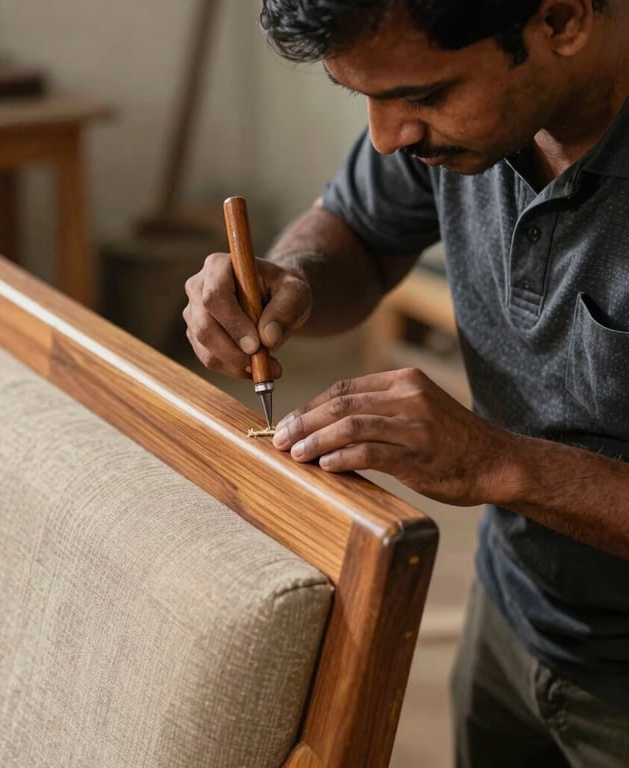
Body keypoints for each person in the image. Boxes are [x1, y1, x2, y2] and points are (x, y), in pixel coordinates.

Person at [183, 0, 629, 765]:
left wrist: (498, 464)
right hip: (516, 603)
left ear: (561, 20)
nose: (387, 137)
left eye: (422, 97)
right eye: (367, 99)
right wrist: (292, 278)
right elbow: (357, 232)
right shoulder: (470, 119)